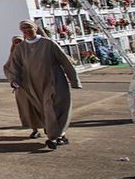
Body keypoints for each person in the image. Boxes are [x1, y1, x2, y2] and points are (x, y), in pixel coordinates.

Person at [7, 20, 81, 150]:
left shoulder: (48, 43)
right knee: (44, 110)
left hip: (54, 81)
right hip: (33, 85)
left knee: (54, 108)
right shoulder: (21, 48)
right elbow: (14, 66)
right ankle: (58, 136)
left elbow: (64, 61)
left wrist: (74, 80)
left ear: (35, 28)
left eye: (29, 27)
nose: (26, 30)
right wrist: (14, 80)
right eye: (23, 28)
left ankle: (53, 136)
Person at [3, 36, 43, 138]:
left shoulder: (31, 53)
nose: (17, 44)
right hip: (21, 88)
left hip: (36, 85)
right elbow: (7, 68)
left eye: (19, 42)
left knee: (41, 106)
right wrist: (13, 80)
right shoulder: (12, 56)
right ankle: (34, 129)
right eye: (15, 42)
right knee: (27, 109)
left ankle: (47, 127)